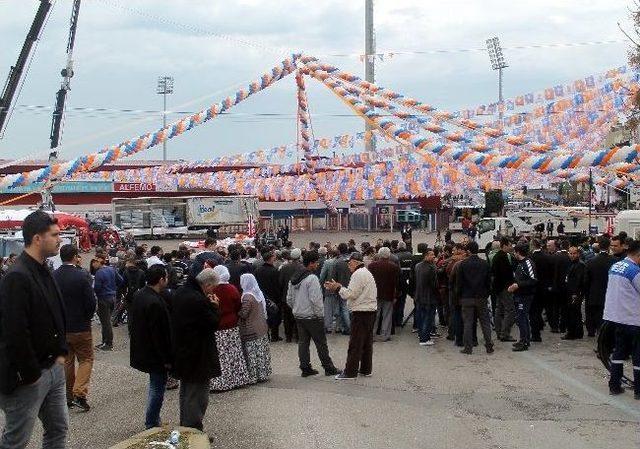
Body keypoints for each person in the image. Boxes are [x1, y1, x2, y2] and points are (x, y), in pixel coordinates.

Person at [0, 210, 68, 448]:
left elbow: (54, 313)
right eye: (55, 234)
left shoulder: (44, 268)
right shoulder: (17, 276)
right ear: (37, 238)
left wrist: (61, 353)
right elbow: (14, 331)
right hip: (28, 378)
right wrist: (31, 375)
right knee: (16, 440)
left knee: (58, 430)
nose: (60, 239)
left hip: (53, 368)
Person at [171, 268, 221, 431]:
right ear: (207, 285)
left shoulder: (181, 292)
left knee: (186, 391)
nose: (214, 290)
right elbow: (212, 323)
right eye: (213, 287)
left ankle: (186, 426)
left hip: (184, 350)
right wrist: (214, 306)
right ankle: (193, 428)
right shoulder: (197, 299)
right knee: (197, 394)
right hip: (197, 353)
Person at [128, 264, 172, 429]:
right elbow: (159, 334)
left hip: (143, 348)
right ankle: (151, 421)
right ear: (161, 280)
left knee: (156, 385)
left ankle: (154, 419)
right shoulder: (155, 302)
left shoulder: (141, 295)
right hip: (154, 353)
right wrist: (167, 358)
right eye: (166, 277)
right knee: (157, 388)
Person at [53, 244, 96, 412]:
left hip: (62, 326)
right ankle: (79, 392)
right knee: (86, 359)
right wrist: (87, 316)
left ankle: (68, 396)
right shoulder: (82, 275)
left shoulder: (54, 276)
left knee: (68, 361)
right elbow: (91, 302)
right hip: (80, 325)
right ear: (75, 256)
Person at [325, 252, 377, 380]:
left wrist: (338, 288)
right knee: (366, 342)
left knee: (356, 343)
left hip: (361, 311)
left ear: (356, 262)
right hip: (369, 310)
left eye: (350, 262)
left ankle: (350, 372)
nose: (348, 264)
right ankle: (365, 369)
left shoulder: (358, 274)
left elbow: (351, 294)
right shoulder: (365, 272)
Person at [287, 251, 339, 377]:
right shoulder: (312, 278)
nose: (317, 264)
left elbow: (289, 298)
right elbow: (316, 300)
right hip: (312, 316)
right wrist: (320, 315)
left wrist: (296, 308)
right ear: (311, 263)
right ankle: (328, 367)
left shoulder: (294, 278)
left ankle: (305, 367)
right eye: (316, 262)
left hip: (299, 315)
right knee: (321, 343)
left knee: (303, 343)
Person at [603, 239, 640, 398]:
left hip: (617, 318)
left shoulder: (615, 266)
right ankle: (639, 390)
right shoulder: (634, 270)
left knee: (618, 352)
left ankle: (614, 385)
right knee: (638, 355)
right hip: (634, 319)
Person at [208, 265, 253, 392]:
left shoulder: (211, 289)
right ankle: (237, 379)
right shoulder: (231, 288)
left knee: (220, 355)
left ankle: (219, 382)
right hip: (231, 324)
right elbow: (238, 305)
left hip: (216, 325)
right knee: (233, 353)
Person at [455, 241, 494, 355]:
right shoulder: (484, 263)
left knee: (468, 323)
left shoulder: (463, 264)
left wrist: (459, 296)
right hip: (481, 296)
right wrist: (487, 294)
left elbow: (459, 283)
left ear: (468, 251)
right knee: (485, 322)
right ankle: (489, 345)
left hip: (467, 297)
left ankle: (468, 347)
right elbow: (488, 282)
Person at [238, 274, 272, 382]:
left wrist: (236, 311)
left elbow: (244, 313)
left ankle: (254, 376)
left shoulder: (247, 297)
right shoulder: (257, 292)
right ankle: (263, 373)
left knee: (252, 354)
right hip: (261, 326)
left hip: (251, 328)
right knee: (260, 352)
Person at [508, 243, 537, 352]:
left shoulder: (527, 263)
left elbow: (533, 280)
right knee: (521, 318)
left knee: (522, 317)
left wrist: (518, 285)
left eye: (515, 252)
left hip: (525, 295)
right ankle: (523, 339)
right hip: (520, 294)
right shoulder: (520, 263)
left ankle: (524, 341)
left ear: (518, 252)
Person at [584, 236, 615, 337]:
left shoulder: (591, 262)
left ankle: (592, 331)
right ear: (609, 246)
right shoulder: (614, 261)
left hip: (594, 294)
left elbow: (586, 280)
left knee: (594, 316)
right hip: (609, 294)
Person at [368, 247, 400, 342]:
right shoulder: (394, 267)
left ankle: (372, 334)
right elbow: (396, 282)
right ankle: (385, 335)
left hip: (375, 294)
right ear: (388, 255)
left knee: (375, 315)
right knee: (387, 315)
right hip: (389, 294)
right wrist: (396, 295)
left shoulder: (372, 266)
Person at [93, 257, 123, 351]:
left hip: (103, 298)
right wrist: (113, 288)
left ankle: (108, 343)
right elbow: (121, 280)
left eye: (95, 262)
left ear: (100, 262)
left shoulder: (99, 273)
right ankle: (104, 341)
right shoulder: (111, 269)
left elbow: (97, 288)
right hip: (112, 297)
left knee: (106, 322)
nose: (93, 264)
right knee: (106, 320)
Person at [255, 251, 283, 342]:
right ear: (270, 259)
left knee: (264, 317)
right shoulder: (274, 271)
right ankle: (274, 336)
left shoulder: (258, 270)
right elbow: (277, 285)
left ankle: (265, 335)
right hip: (273, 297)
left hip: (262, 296)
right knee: (275, 317)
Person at [492, 237, 516, 342]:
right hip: (504, 288)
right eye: (510, 245)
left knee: (499, 310)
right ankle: (505, 334)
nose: (511, 247)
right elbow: (505, 274)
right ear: (505, 245)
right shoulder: (502, 257)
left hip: (498, 288)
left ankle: (499, 332)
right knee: (510, 310)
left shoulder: (498, 256)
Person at [413, 249, 438, 346]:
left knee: (421, 317)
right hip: (429, 297)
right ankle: (425, 339)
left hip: (419, 296)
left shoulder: (418, 266)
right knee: (428, 318)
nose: (433, 257)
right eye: (431, 255)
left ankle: (421, 334)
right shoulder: (431, 268)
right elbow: (434, 284)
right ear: (426, 256)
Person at [279, 248, 303, 342]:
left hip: (286, 296)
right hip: (299, 297)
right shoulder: (302, 268)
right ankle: (297, 336)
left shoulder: (284, 267)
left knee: (287, 318)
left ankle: (288, 337)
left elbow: (280, 282)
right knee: (297, 317)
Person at [563, 246, 586, 340]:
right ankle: (577, 332)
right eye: (570, 253)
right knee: (574, 313)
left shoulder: (580, 265)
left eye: (574, 253)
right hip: (571, 292)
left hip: (575, 293)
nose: (572, 255)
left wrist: (575, 294)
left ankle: (572, 333)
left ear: (578, 254)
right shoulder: (572, 264)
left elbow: (579, 281)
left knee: (573, 313)